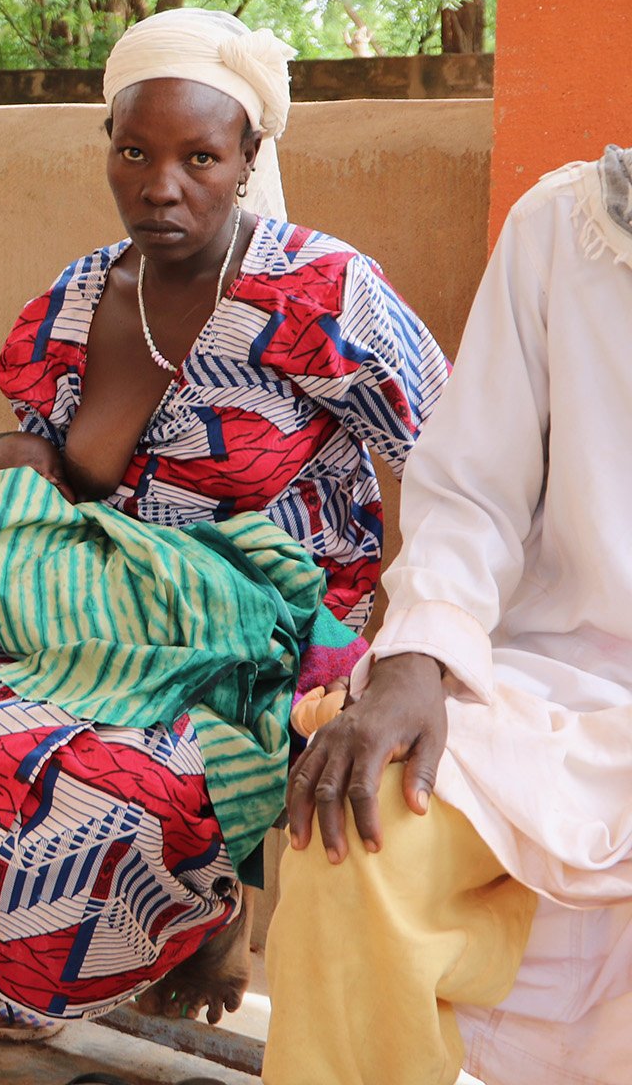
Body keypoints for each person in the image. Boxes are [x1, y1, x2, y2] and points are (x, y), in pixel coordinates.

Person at [0, 8, 451, 1083]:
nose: (161, 183)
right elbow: (31, 452)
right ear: (108, 145)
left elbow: (449, 464)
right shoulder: (80, 298)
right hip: (92, 608)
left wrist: (410, 651)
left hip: (260, 641)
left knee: (85, 771)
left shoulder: (324, 291)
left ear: (249, 159)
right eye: (135, 151)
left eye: (199, 157)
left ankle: (177, 927)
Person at [265, 148, 632, 1085]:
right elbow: (475, 491)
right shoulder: (567, 223)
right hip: (554, 690)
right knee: (357, 821)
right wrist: (415, 658)